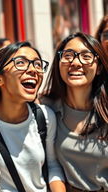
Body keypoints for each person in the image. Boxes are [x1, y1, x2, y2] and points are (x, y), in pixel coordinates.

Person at [0, 42, 66, 192]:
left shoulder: (44, 116)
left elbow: (52, 165)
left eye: (38, 64)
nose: (33, 70)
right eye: (20, 63)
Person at [41, 32, 108, 191]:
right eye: (68, 55)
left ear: (98, 67)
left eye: (86, 56)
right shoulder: (46, 109)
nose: (76, 62)